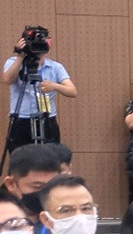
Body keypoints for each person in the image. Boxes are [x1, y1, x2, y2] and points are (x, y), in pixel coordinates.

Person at [3, 25, 74, 157]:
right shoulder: (13, 62)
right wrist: (20, 56)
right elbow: (8, 79)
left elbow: (72, 91)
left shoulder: (55, 67)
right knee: (20, 159)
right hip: (21, 120)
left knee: (50, 159)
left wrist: (55, 86)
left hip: (47, 119)